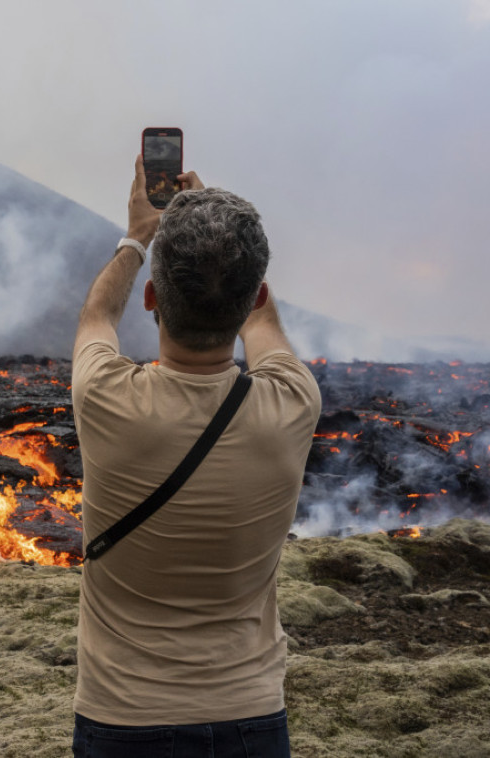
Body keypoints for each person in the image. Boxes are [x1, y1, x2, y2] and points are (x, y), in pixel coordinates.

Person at [70, 156, 321, 757]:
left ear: (153, 296)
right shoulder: (292, 401)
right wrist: (223, 242)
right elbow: (261, 325)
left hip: (122, 718)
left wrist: (137, 238)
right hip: (252, 718)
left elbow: (96, 316)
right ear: (256, 293)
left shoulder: (105, 396)